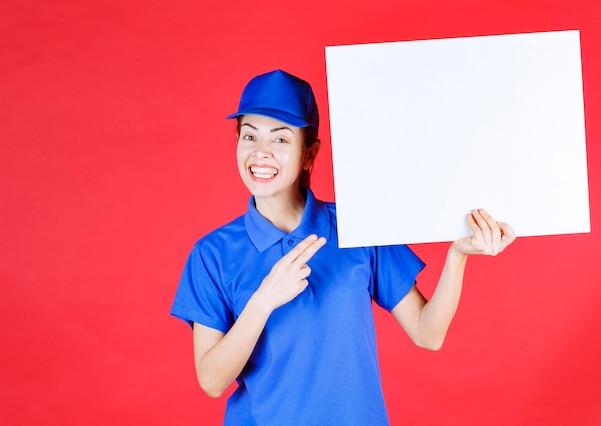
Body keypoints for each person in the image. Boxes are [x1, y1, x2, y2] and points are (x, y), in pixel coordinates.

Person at [171, 69, 516, 425]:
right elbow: (212, 381)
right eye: (249, 136)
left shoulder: (357, 227)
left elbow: (428, 333)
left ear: (309, 153)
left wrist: (457, 255)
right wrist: (263, 301)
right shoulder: (212, 254)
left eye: (281, 140)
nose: (261, 153)